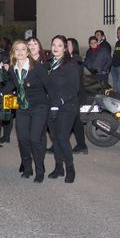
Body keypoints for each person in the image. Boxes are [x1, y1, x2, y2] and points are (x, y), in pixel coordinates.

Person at [6, 40, 50, 182]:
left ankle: (39, 169)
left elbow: (49, 86)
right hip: (22, 107)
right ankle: (27, 167)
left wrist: (55, 106)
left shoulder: (36, 67)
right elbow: (13, 85)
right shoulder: (13, 69)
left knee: (34, 139)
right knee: (23, 139)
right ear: (13, 53)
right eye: (17, 49)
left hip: (39, 107)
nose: (20, 52)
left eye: (23, 49)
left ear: (28, 52)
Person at [46, 35, 81, 183]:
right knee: (55, 138)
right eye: (54, 44)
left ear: (65, 48)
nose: (55, 48)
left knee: (62, 137)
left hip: (67, 106)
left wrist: (58, 102)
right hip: (51, 106)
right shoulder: (49, 64)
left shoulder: (71, 65)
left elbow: (73, 88)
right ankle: (58, 167)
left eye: (59, 45)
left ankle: (70, 169)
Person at [68, 37, 88, 155]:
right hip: (74, 94)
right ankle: (82, 145)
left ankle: (81, 145)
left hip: (76, 95)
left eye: (68, 45)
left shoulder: (76, 60)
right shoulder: (70, 59)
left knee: (72, 121)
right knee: (75, 121)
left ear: (73, 47)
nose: (65, 47)